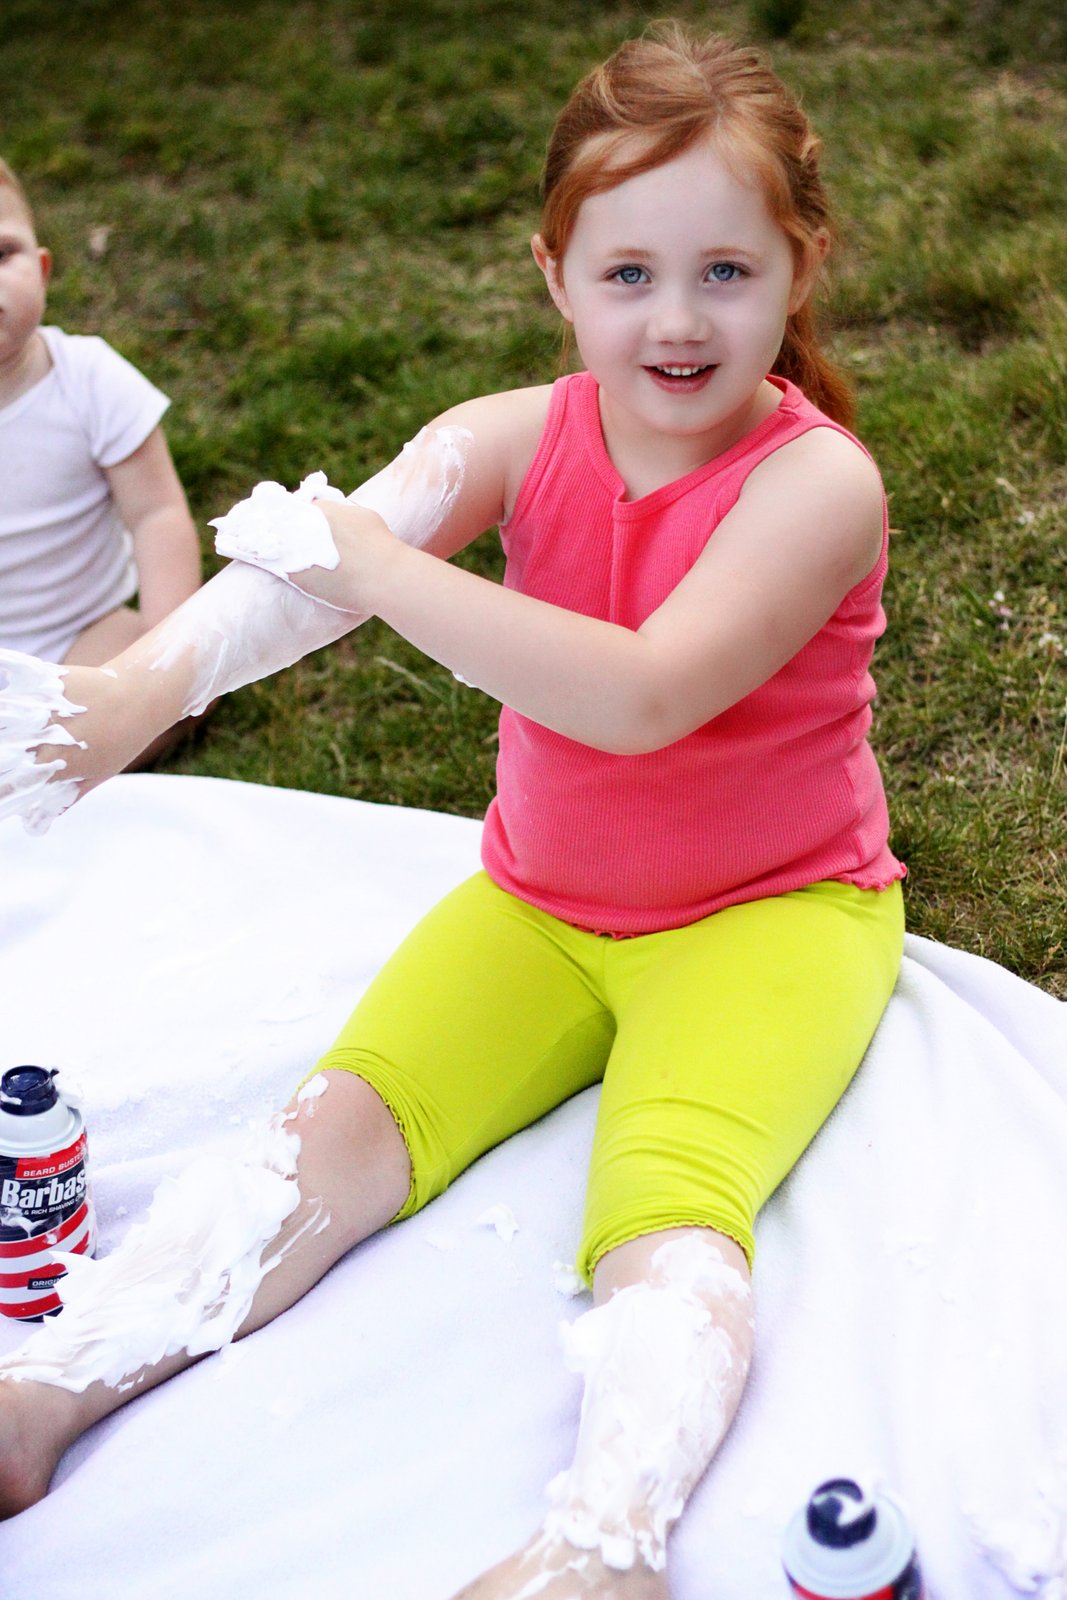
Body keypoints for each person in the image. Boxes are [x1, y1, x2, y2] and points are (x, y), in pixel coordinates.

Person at [0, 23, 906, 1599]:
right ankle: (45, 1391)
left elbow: (634, 694)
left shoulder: (815, 486)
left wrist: (379, 570)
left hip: (769, 918)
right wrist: (138, 692)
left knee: (663, 1211)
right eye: (626, 274)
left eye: (723, 273)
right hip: (539, 902)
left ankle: (598, 1543)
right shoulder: (513, 432)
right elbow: (309, 575)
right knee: (318, 1143)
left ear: (797, 266)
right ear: (554, 273)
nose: (675, 320)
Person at [0, 158, 201, 674]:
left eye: (1, 253)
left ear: (41, 271)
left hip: (82, 634)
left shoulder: (89, 379)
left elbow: (156, 513)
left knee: (148, 687)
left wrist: (166, 651)